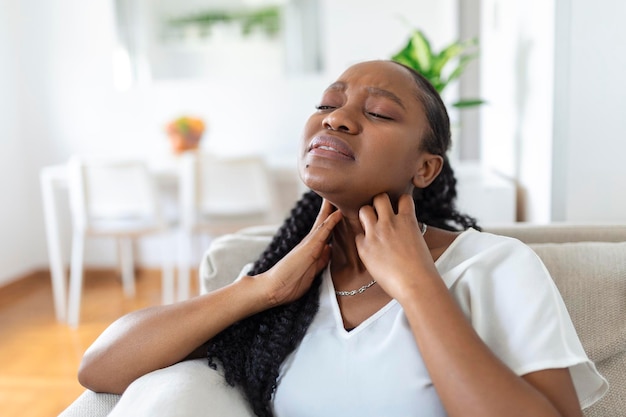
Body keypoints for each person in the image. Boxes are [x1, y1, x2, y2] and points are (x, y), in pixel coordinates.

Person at [78, 60, 607, 417]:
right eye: (327, 104)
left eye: (377, 112)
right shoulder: (285, 276)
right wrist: (258, 291)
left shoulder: (494, 266)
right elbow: (99, 367)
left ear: (424, 168)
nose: (337, 118)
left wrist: (418, 284)